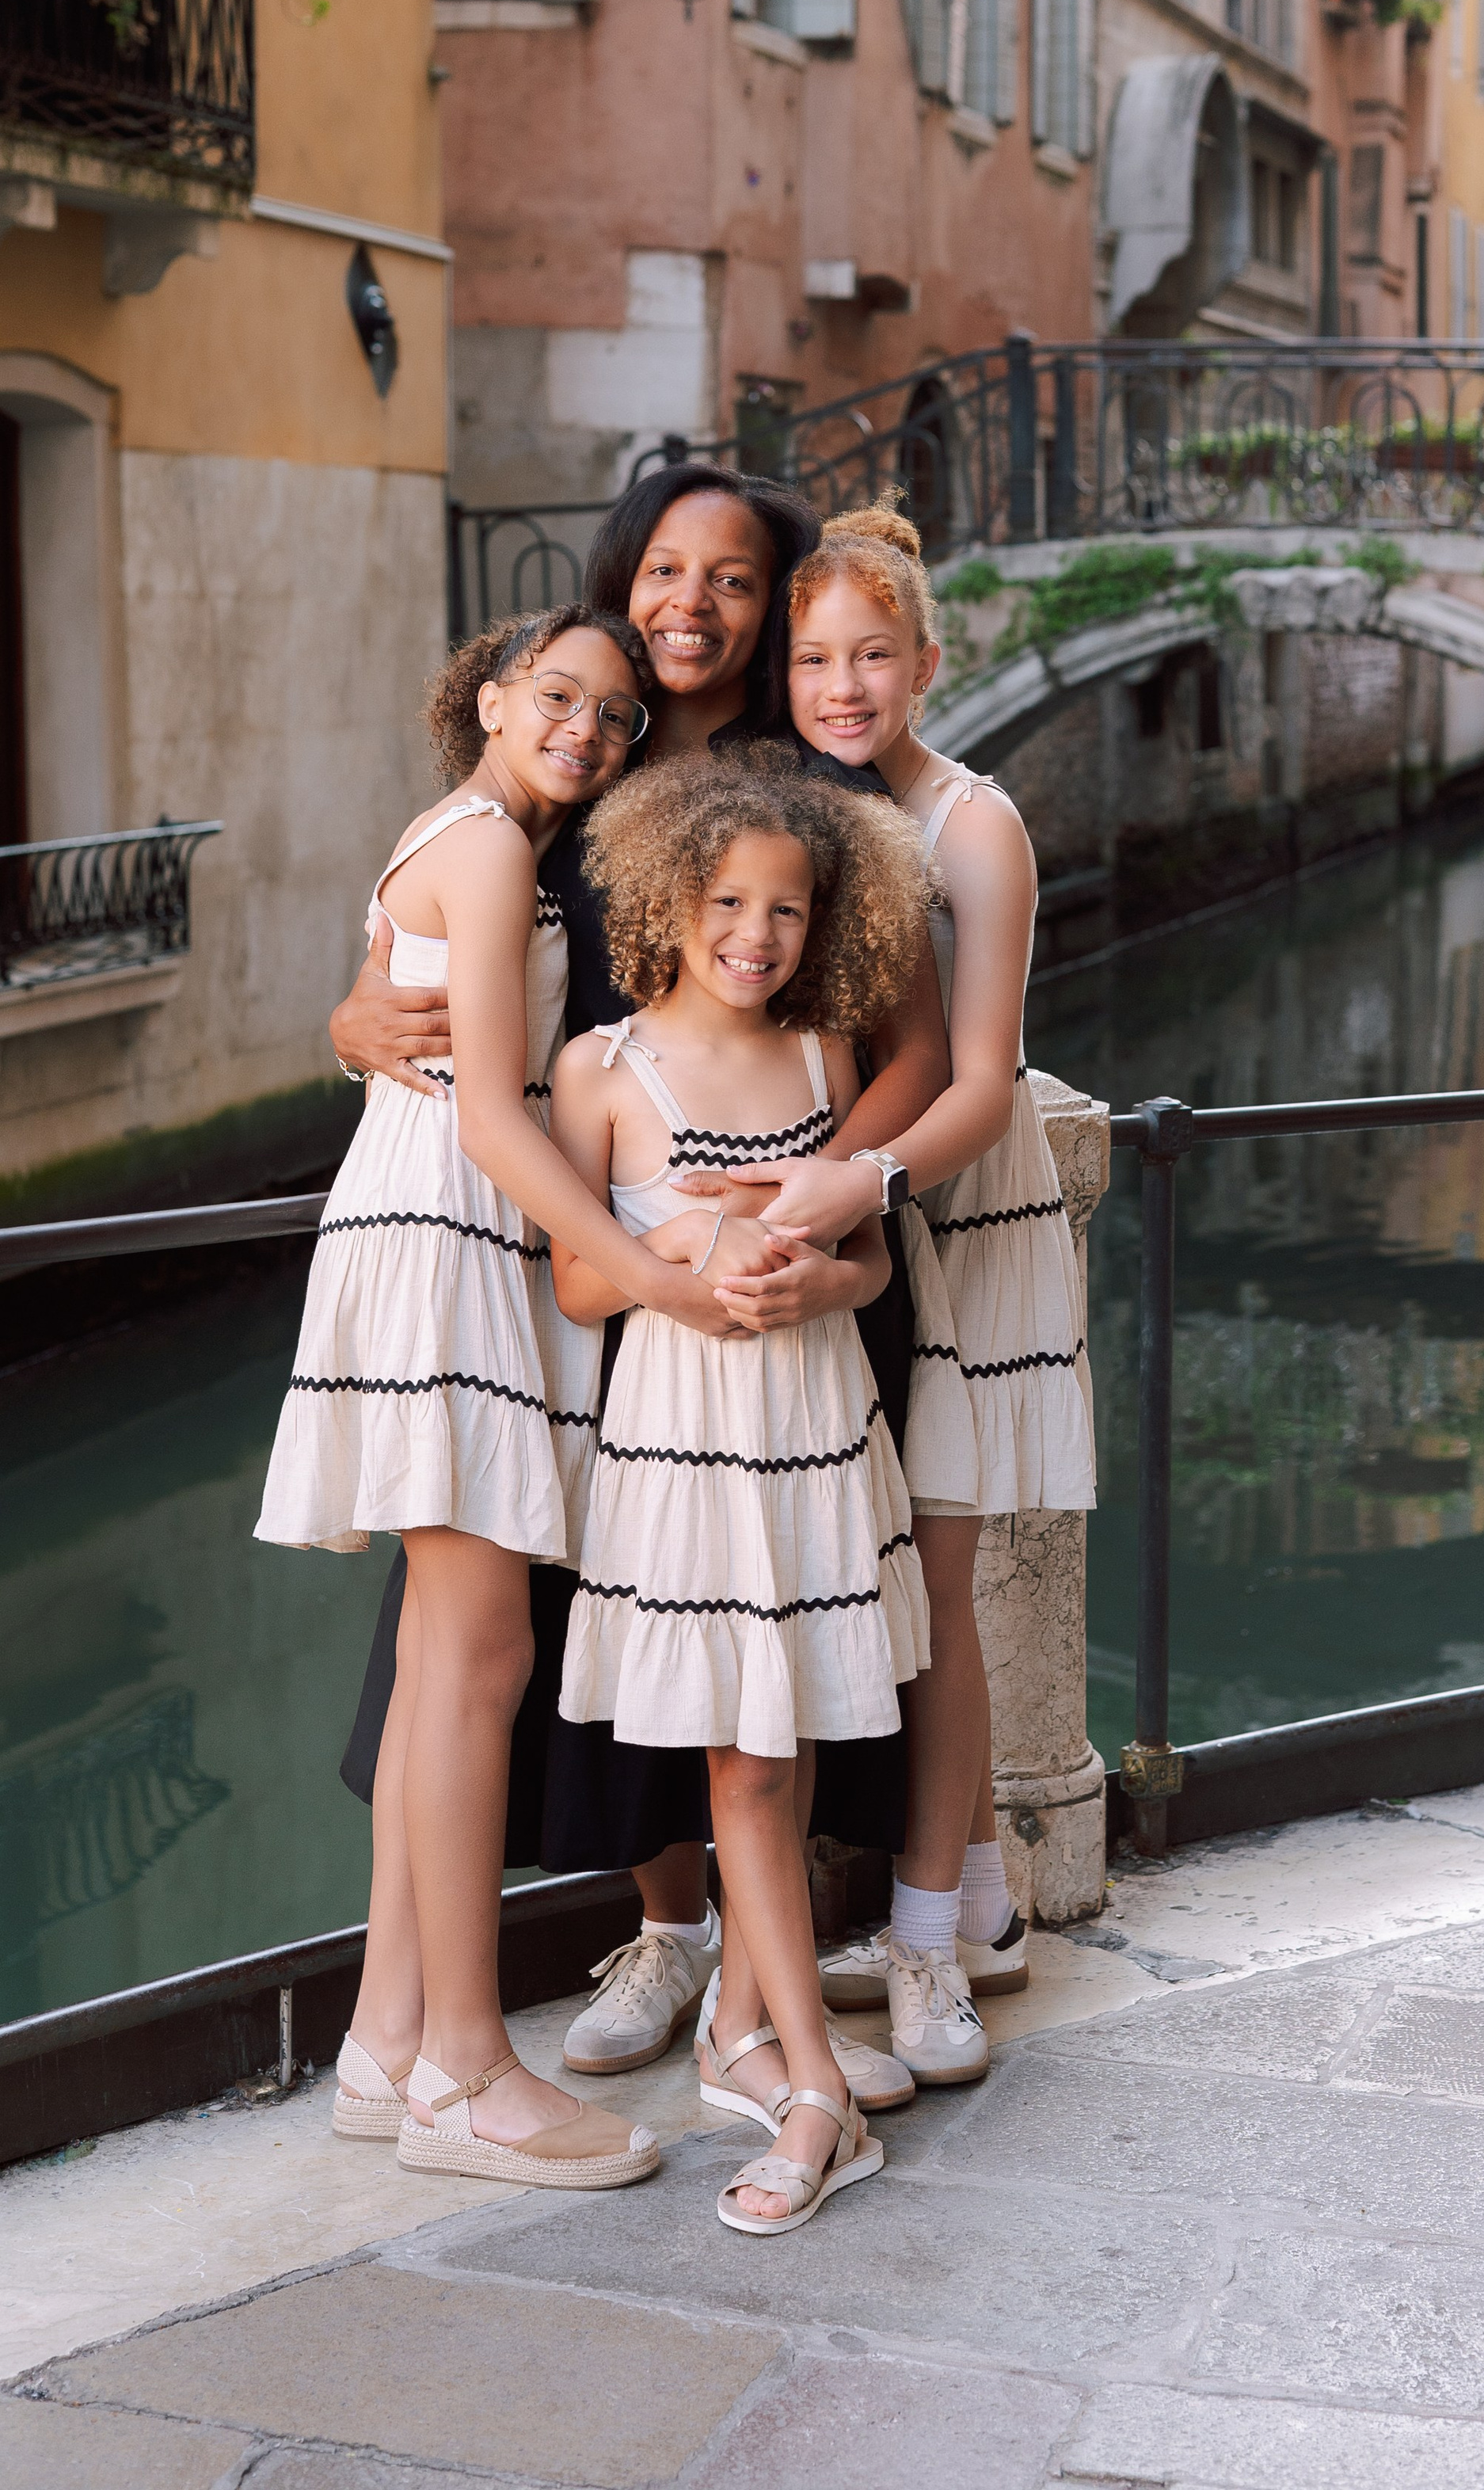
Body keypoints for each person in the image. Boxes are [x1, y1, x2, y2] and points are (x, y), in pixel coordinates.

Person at [325, 466, 949, 2085]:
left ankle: (765, 1988)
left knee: (764, 1628)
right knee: (596, 1612)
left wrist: (820, 1200)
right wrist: (351, 1018)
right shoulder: (551, 769)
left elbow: (907, 1049)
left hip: (763, 1266)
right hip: (571, 1263)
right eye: (665, 569)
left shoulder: (802, 783)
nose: (693, 603)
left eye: (732, 579)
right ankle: (665, 1937)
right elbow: (447, 974)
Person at [257, 604, 723, 2191]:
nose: (587, 728)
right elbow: (490, 1120)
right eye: (558, 695)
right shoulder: (480, 849)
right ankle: (465, 2070)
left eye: (612, 715)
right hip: (450, 1235)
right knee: (480, 1652)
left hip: (439, 1238)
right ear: (490, 696)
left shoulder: (470, 843)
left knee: (451, 1653)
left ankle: (390, 2041)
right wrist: (630, 1263)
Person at [698, 504, 1095, 2088]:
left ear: (926, 664)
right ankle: (977, 1894)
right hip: (883, 1233)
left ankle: (928, 1940)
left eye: (872, 654)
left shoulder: (968, 823)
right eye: (813, 657)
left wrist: (844, 1181)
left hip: (965, 1222)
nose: (843, 681)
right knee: (906, 1586)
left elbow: (985, 1083)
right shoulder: (802, 809)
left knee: (931, 1595)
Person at [550, 753, 930, 2232]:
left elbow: (875, 1267)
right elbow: (582, 1282)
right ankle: (814, 2086)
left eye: (788, 908)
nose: (756, 934)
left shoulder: (830, 1059)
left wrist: (814, 1278)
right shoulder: (601, 1071)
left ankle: (755, 2039)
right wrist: (697, 1278)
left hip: (815, 1428)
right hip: (684, 1446)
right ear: (669, 896)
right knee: (742, 1762)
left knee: (787, 1739)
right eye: (727, 901)